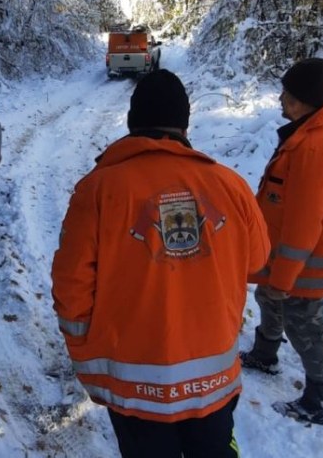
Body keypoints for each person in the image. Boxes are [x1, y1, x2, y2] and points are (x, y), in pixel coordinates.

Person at [51, 69, 270, 458]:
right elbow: (257, 261)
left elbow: (71, 288)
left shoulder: (97, 190)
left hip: (137, 390)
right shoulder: (231, 186)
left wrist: (85, 351)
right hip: (213, 382)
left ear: (132, 122)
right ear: (185, 125)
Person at [240, 58, 323, 426]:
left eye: (288, 95)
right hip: (287, 254)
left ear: (305, 101)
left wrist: (284, 277)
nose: (281, 99)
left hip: (307, 261)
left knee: (304, 323)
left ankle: (318, 395)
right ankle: (265, 353)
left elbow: (305, 222)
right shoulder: (306, 135)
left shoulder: (316, 147)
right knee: (267, 296)